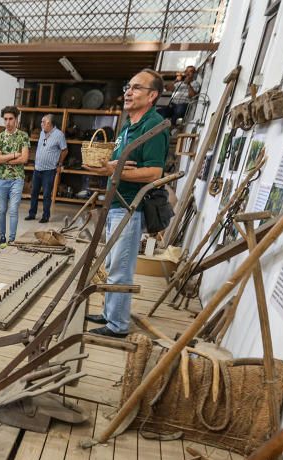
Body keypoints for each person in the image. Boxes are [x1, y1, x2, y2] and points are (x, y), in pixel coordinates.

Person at [84, 68, 169, 338]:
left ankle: (117, 325)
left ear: (152, 95)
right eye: (127, 87)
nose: (128, 92)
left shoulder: (153, 127)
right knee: (112, 264)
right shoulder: (129, 125)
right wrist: (109, 167)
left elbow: (155, 173)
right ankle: (111, 313)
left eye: (136, 88)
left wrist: (113, 170)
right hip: (116, 203)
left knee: (121, 268)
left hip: (131, 206)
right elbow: (118, 164)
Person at [0, 105, 30, 248]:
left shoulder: (23, 136)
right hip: (1, 178)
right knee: (2, 210)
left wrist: (4, 158)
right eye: (5, 119)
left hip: (17, 179)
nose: (8, 122)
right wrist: (14, 155)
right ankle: (2, 236)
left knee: (14, 209)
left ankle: (12, 239)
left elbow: (24, 159)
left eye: (11, 119)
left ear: (16, 120)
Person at [25, 113, 67, 225]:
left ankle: (45, 216)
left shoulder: (59, 135)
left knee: (46, 194)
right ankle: (32, 213)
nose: (41, 124)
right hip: (37, 168)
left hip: (49, 170)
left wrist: (59, 164)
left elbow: (64, 150)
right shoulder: (42, 133)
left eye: (43, 122)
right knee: (34, 192)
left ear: (49, 123)